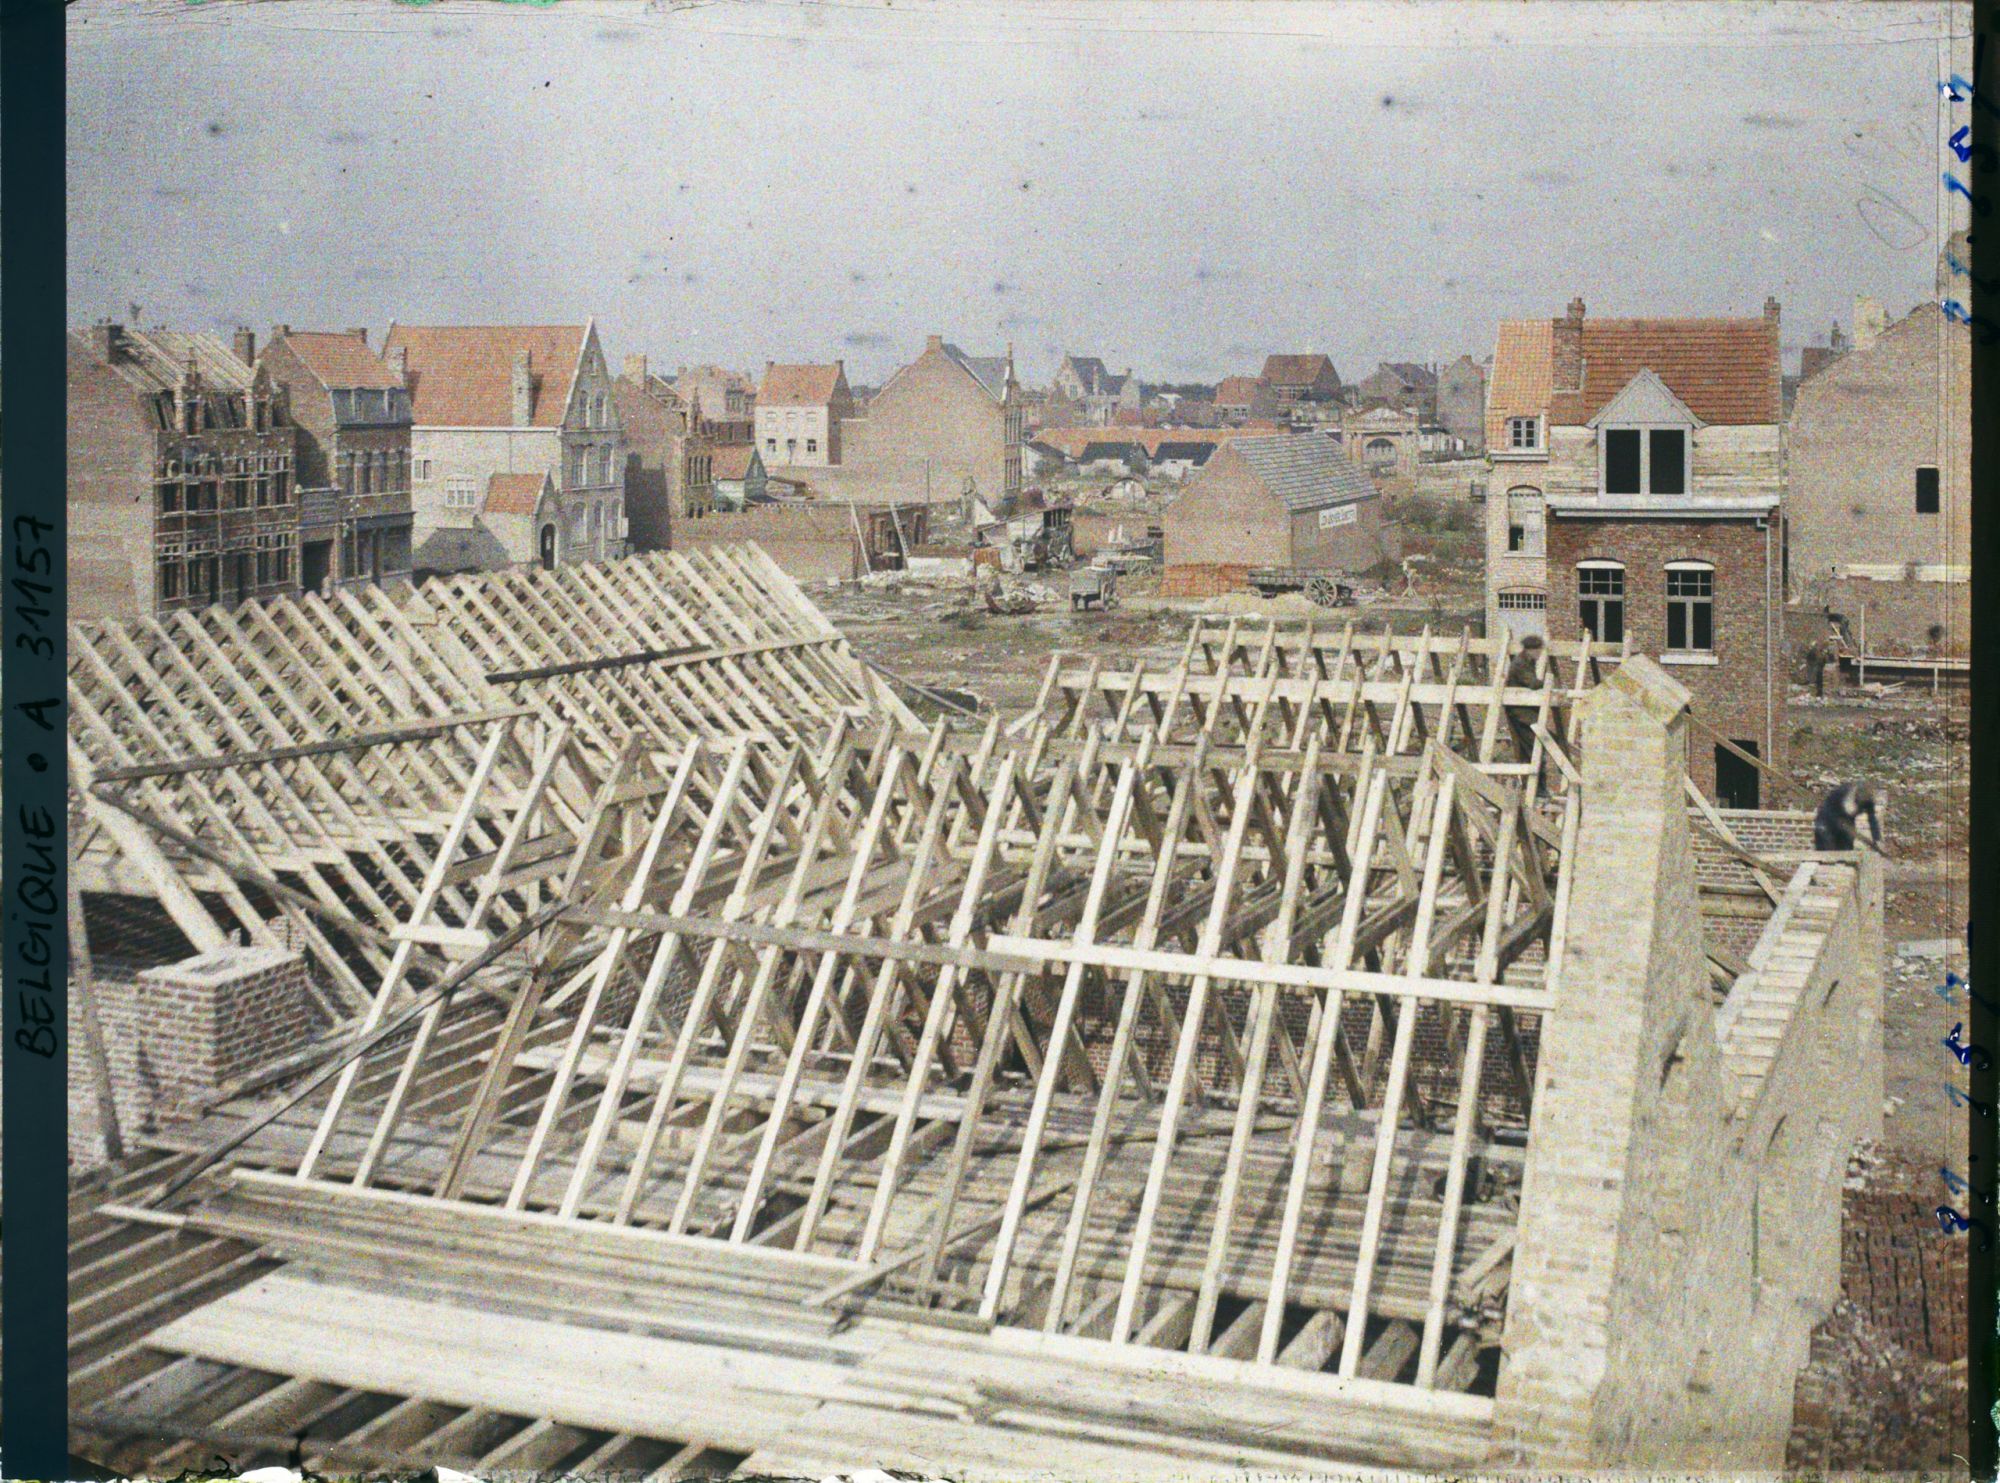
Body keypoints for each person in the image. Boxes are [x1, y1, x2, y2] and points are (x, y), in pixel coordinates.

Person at [1814, 781, 1885, 854]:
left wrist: (1877, 839)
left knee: (1847, 849)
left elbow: (1872, 820)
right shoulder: (1842, 793)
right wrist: (1841, 824)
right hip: (1826, 821)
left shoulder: (1868, 801)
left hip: (1847, 823)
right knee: (1827, 849)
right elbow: (1827, 811)